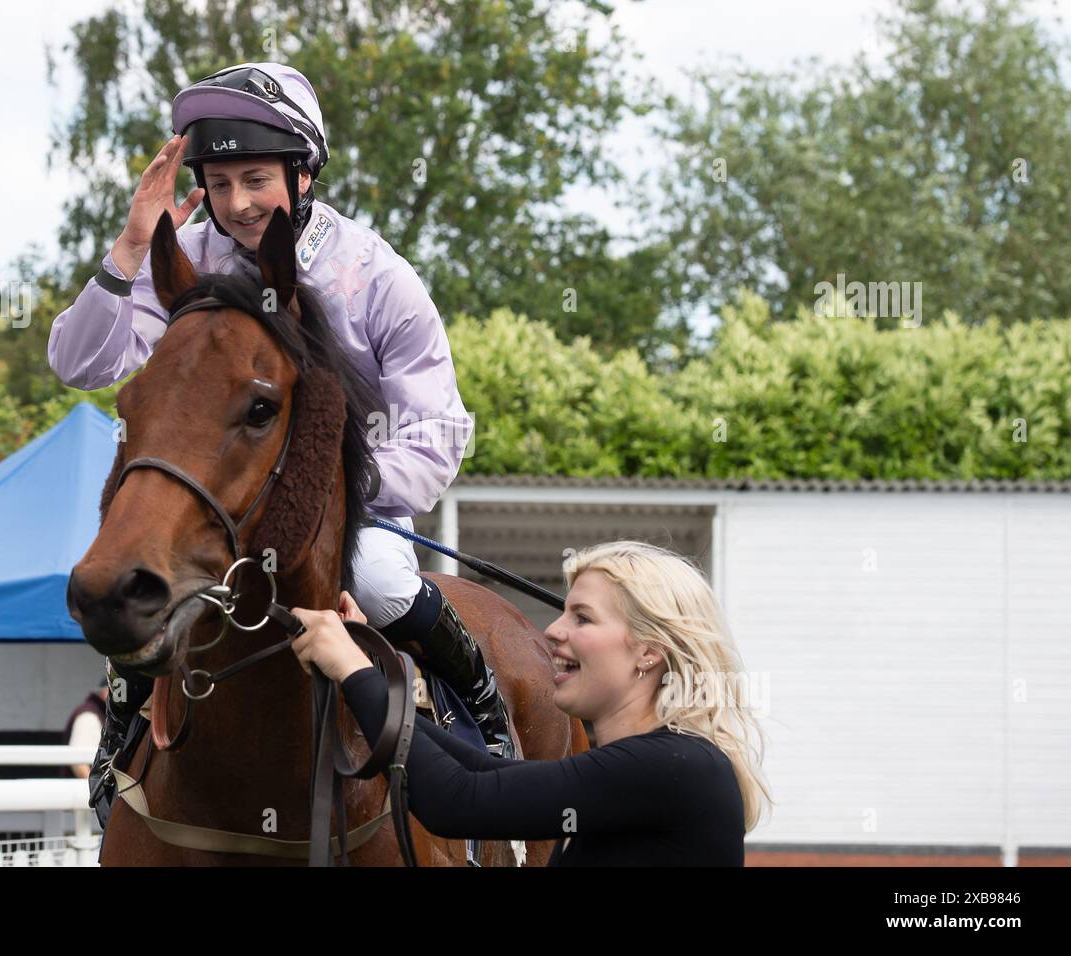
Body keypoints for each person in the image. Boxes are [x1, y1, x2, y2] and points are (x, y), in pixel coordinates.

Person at [46, 63, 514, 828]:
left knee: (381, 579)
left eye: (255, 179)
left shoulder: (379, 277)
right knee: (140, 566)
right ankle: (123, 734)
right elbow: (79, 363)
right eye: (220, 183)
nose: (237, 203)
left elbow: (437, 428)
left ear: (303, 172)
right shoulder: (182, 260)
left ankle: (482, 702)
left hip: (343, 517)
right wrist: (131, 248)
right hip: (218, 515)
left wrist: (332, 510)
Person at [290, 540, 775, 865]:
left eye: (582, 619)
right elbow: (483, 771)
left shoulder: (674, 765)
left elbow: (455, 800)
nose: (553, 631)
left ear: (649, 652)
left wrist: (351, 670)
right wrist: (369, 673)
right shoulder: (667, 764)